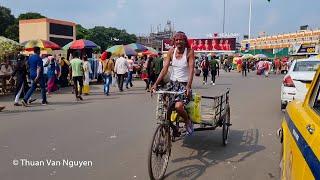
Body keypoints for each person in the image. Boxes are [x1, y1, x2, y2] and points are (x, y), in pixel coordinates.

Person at [152, 31, 195, 135]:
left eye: (181, 39)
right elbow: (165, 68)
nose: (179, 41)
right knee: (166, 109)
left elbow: (191, 69)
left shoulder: (189, 52)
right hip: (172, 84)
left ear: (185, 41)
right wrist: (155, 83)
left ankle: (187, 120)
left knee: (178, 106)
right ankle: (173, 128)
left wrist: (188, 86)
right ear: (174, 42)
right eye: (176, 40)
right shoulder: (171, 51)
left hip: (184, 84)